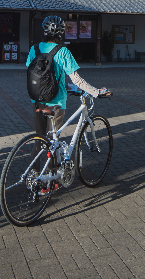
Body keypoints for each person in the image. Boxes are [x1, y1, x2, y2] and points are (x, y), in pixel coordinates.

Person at [26, 16, 110, 192]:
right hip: (56, 103)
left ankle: (33, 177)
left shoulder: (34, 49)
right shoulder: (62, 51)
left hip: (37, 102)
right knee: (52, 141)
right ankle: (50, 181)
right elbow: (77, 80)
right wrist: (96, 92)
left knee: (39, 139)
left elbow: (34, 72)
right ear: (61, 33)